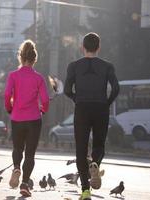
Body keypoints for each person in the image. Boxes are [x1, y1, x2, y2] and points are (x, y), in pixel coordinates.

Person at [64, 32, 120, 200]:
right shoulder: (107, 66)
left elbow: (67, 90)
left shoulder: (74, 66)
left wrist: (76, 99)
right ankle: (95, 162)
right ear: (98, 48)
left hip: (82, 108)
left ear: (83, 48)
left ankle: (86, 190)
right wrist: (107, 102)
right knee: (99, 144)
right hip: (101, 108)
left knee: (81, 150)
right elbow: (116, 88)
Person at [4, 39, 49, 197]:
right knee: (30, 154)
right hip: (34, 120)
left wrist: (10, 108)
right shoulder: (39, 78)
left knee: (17, 148)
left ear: (21, 57)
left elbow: (6, 94)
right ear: (34, 59)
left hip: (17, 118)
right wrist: (43, 110)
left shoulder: (13, 76)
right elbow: (44, 99)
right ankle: (24, 184)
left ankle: (16, 167)